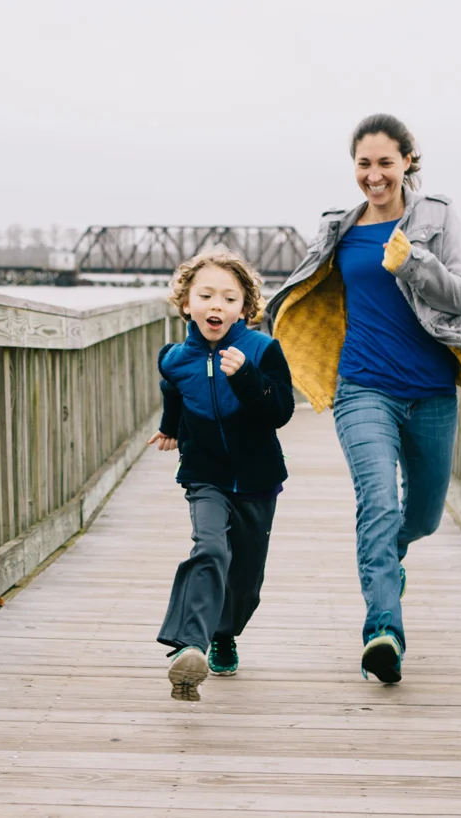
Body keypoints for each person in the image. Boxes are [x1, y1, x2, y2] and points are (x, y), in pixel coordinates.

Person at [263, 113, 461, 684]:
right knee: (378, 503)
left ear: (407, 161)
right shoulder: (338, 228)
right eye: (364, 164)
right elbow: (305, 291)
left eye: (385, 163)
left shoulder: (438, 216)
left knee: (421, 517)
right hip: (363, 385)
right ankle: (383, 631)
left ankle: (387, 569)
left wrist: (413, 262)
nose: (374, 175)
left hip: (431, 389)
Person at [150, 249, 295, 701]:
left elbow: (281, 410)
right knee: (210, 549)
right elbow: (174, 390)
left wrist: (248, 377)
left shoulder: (263, 350)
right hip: (205, 474)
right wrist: (169, 428)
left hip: (258, 477)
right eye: (206, 295)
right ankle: (190, 644)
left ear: (245, 308)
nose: (217, 305)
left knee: (246, 579)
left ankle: (225, 632)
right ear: (186, 303)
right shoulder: (173, 358)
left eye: (229, 298)